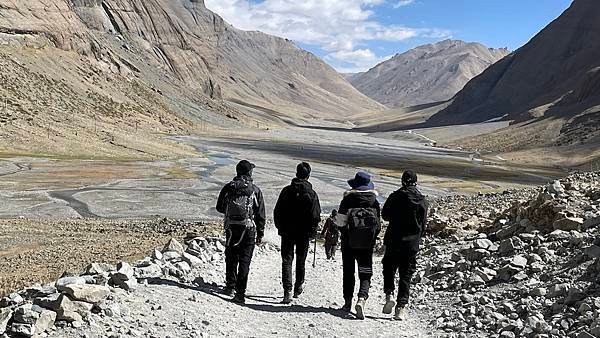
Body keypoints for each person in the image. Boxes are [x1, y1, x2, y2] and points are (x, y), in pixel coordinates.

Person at [216, 160, 266, 304]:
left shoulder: (228, 187)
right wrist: (260, 233)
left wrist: (230, 212)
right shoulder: (255, 190)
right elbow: (260, 214)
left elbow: (219, 207)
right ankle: (240, 293)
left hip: (232, 227)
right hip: (248, 228)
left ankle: (230, 286)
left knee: (231, 255)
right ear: (249, 172)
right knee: (245, 259)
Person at [381, 170, 428, 320]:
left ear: (402, 181)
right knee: (406, 274)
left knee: (389, 267)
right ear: (416, 182)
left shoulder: (395, 197)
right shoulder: (422, 200)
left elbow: (385, 215)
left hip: (394, 239)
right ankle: (401, 307)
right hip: (411, 243)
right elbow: (423, 225)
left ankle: (389, 295)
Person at [274, 162, 322, 304]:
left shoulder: (286, 191)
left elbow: (278, 211)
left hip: (287, 232)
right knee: (301, 260)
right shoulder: (312, 194)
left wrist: (280, 228)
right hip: (304, 234)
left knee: (287, 260)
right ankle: (298, 286)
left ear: (296, 174)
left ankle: (287, 291)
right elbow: (315, 216)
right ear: (308, 176)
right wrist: (313, 231)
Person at [337, 171, 381, 320]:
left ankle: (347, 302)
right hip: (367, 244)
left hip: (349, 242)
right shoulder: (374, 201)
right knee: (365, 272)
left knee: (349, 272)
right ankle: (362, 299)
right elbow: (378, 225)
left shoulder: (347, 200)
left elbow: (340, 222)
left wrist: (345, 233)